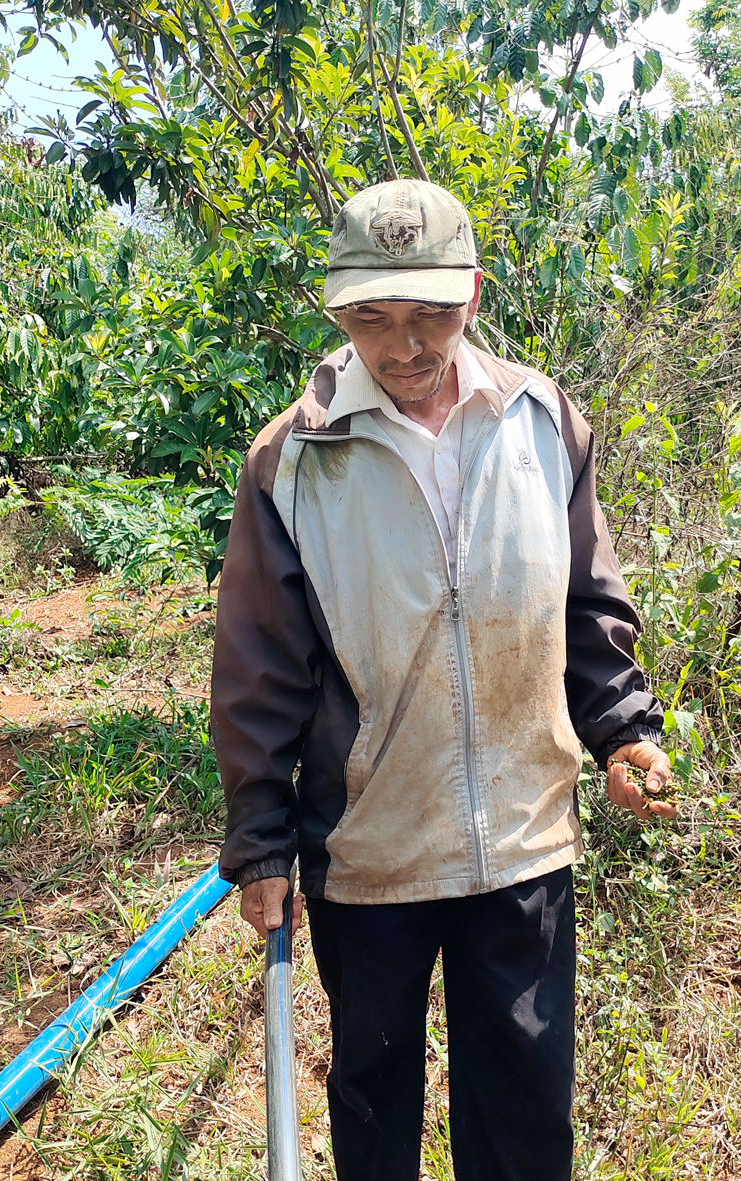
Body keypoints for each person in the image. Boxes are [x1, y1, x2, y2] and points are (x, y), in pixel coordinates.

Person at [211, 178, 676, 1181]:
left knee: (521, 1099)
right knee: (373, 1098)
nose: (404, 345)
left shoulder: (541, 420)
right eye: (371, 318)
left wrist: (621, 727)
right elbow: (260, 663)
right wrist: (259, 839)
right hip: (369, 841)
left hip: (520, 833)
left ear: (474, 292)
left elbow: (584, 601)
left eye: (431, 313)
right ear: (335, 312)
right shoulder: (294, 459)